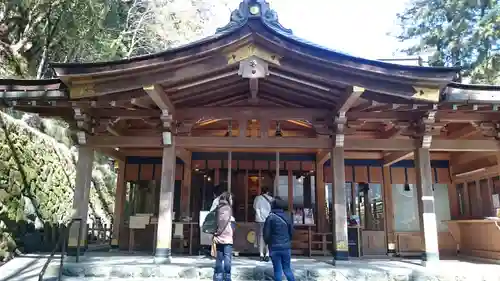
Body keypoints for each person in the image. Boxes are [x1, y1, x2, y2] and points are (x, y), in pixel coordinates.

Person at [263, 197, 295, 281]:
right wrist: (288, 241)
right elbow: (292, 232)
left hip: (274, 247)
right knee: (287, 269)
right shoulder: (287, 217)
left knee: (277, 270)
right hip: (286, 247)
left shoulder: (270, 217)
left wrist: (266, 243)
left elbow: (266, 234)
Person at [213, 192, 234, 281]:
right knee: (227, 258)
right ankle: (227, 276)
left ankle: (218, 276)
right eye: (231, 199)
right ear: (228, 199)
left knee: (219, 258)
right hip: (227, 237)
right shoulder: (228, 209)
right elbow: (229, 221)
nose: (232, 200)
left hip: (218, 236)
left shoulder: (218, 208)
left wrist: (217, 232)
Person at [253, 186, 273, 261]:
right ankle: (267, 254)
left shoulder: (257, 198)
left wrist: (260, 216)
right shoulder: (271, 199)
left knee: (261, 236)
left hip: (260, 220)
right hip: (269, 219)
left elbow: (255, 208)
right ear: (268, 192)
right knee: (268, 237)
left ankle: (261, 254)